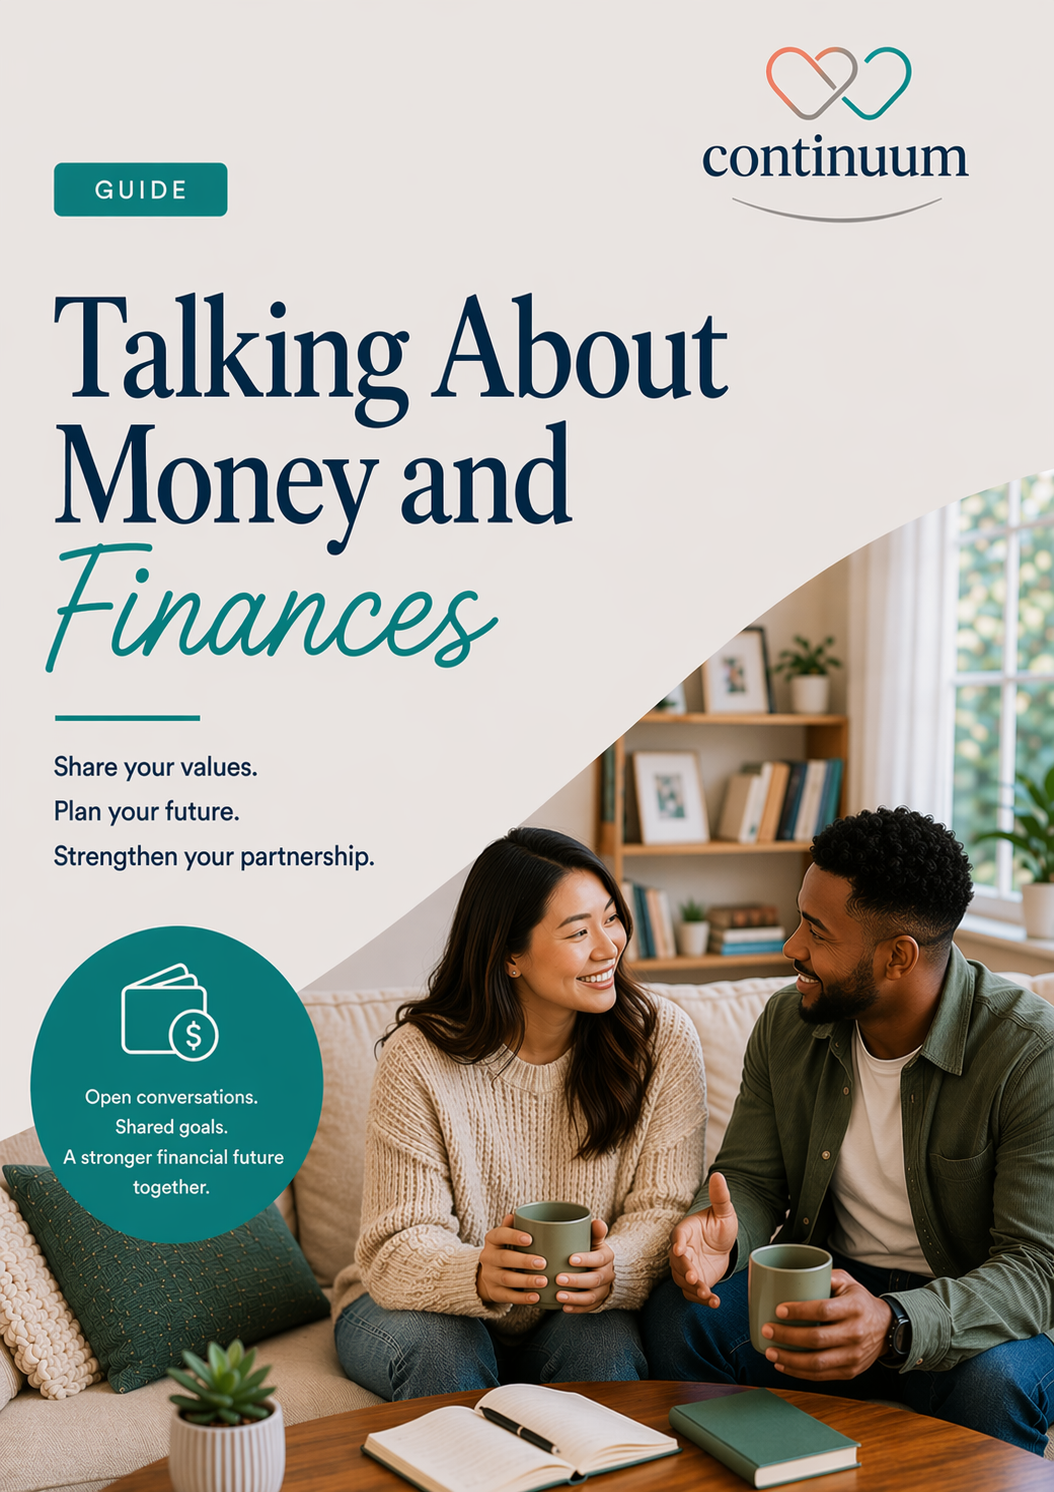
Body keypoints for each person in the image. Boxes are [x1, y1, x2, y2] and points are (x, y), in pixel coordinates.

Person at [641, 806, 1054, 1456]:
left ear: (897, 957)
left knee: (997, 1384)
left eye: (816, 931)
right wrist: (722, 1233)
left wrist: (895, 1323)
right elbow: (750, 1178)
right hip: (827, 1280)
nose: (791, 947)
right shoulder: (789, 1024)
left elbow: (1035, 1268)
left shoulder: (1029, 1054)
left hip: (966, 1308)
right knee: (682, 1316)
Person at [333, 826, 706, 1399]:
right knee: (446, 1350)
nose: (608, 947)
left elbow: (664, 1207)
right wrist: (475, 1274)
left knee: (603, 1348)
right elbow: (397, 1243)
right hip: (415, 1306)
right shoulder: (420, 1056)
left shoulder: (660, 1041)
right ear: (510, 955)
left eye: (611, 918)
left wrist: (616, 1268)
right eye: (578, 931)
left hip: (573, 1311)